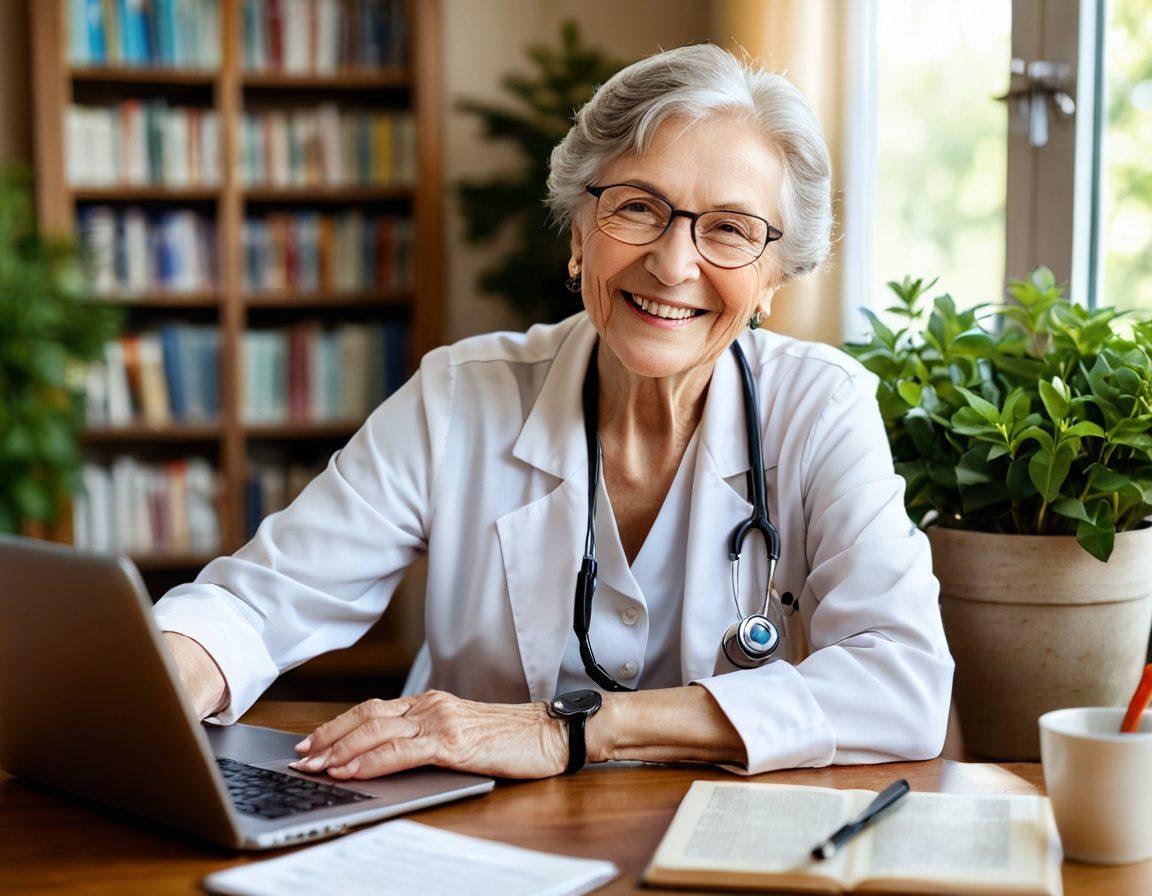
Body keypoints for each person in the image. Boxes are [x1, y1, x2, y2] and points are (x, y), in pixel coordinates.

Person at [157, 43, 954, 781]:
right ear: (580, 230)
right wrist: (169, 672)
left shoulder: (819, 406)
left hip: (721, 847)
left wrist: (570, 728)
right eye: (638, 208)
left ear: (774, 279)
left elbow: (902, 682)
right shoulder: (459, 397)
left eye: (731, 230)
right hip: (464, 834)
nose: (674, 264)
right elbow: (259, 602)